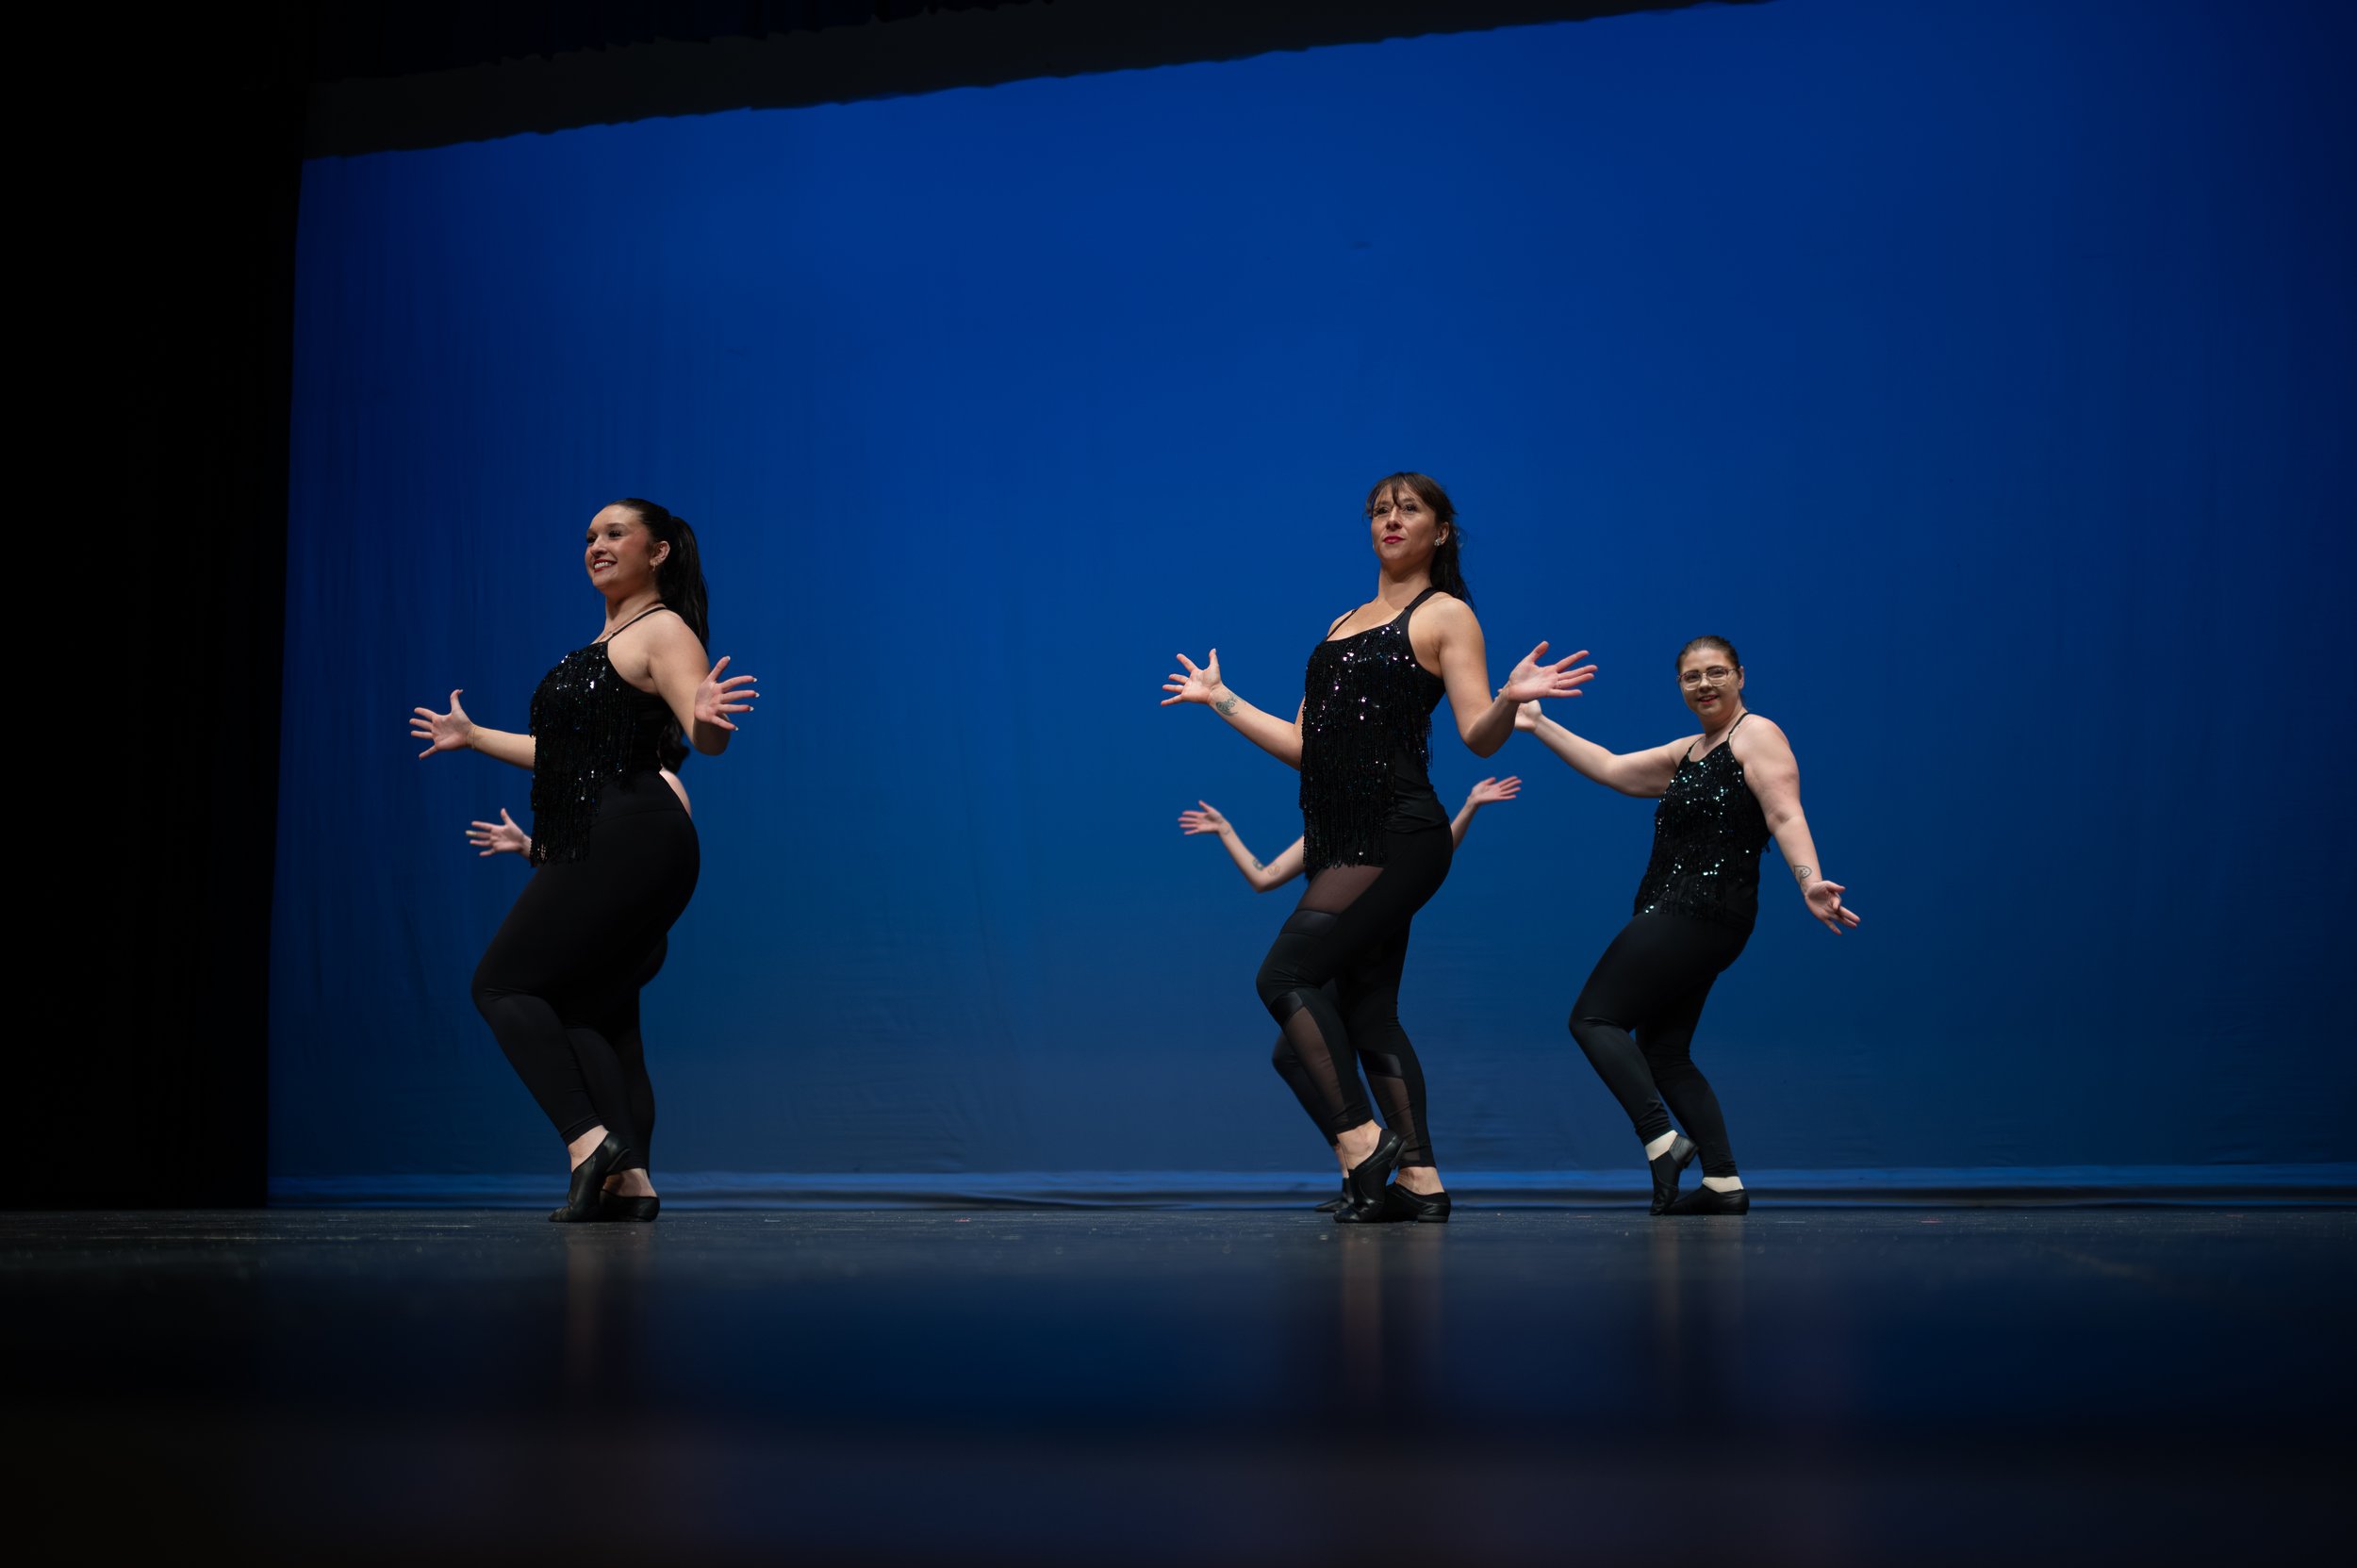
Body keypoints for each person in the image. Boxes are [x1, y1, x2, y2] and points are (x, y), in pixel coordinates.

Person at [1163, 471, 1592, 1222]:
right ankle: (1421, 1183)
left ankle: (1365, 1143)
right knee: (1365, 1018)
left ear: (1440, 530)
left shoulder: (1446, 616)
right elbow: (1307, 748)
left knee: (1285, 976)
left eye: (1410, 508)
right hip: (1338, 838)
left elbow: (1477, 738)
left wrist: (1509, 699)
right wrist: (1221, 700)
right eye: (1380, 510)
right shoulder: (1340, 622)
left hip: (1398, 831)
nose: (1392, 520)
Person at [412, 498, 757, 1222]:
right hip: (611, 830)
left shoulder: (661, 630)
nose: (596, 545)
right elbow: (566, 759)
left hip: (633, 830)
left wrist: (707, 717)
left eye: (614, 533)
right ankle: (631, 1182)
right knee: (592, 1011)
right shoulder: (609, 640)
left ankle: (589, 1143)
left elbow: (704, 734)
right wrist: (473, 736)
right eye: (590, 537)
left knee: (501, 986)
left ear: (657, 552)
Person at [1516, 635, 1858, 1215]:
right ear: (1680, 687)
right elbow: (1613, 769)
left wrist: (1809, 880)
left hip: (1698, 907)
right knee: (1664, 1049)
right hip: (1685, 909)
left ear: (1740, 676)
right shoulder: (1690, 751)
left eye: (1716, 672)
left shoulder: (1757, 735)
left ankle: (1662, 1139)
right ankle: (1723, 1182)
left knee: (1594, 1018)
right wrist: (1536, 722)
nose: (1704, 684)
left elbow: (1784, 811)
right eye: (1691, 677)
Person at [1178, 779, 1521, 1213]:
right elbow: (1264, 877)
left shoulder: (1384, 828)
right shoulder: (1322, 833)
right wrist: (1226, 830)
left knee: (1349, 1025)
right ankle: (1382, 1166)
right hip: (1334, 953)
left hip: (1355, 947)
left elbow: (1427, 854)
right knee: (1337, 1038)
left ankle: (1364, 1154)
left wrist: (1469, 807)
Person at [464, 763, 689, 1220]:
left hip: (622, 928)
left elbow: (619, 863)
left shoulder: (654, 779)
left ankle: (595, 1147)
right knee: (620, 1041)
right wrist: (529, 846)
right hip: (635, 930)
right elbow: (595, 859)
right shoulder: (650, 784)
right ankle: (634, 1183)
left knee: (564, 1014)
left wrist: (473, 738)